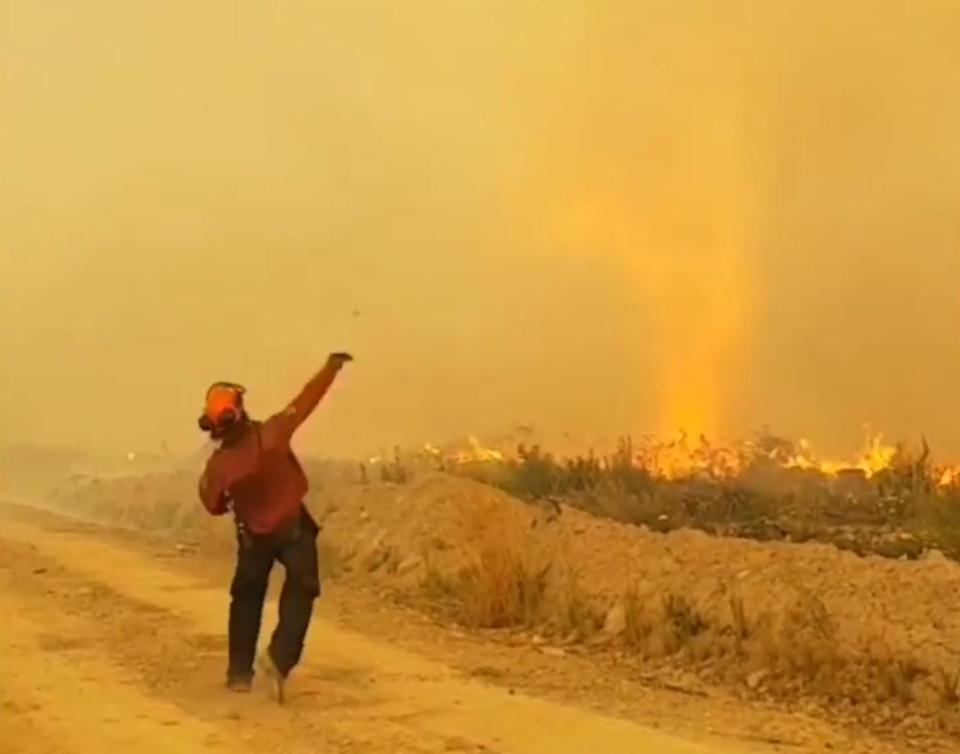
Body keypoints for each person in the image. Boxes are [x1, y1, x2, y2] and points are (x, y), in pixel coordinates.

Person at [197, 352, 353, 702]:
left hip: (253, 535)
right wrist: (331, 367)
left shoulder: (220, 466)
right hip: (293, 528)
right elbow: (306, 401)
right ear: (239, 411)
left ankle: (239, 673)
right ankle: (280, 659)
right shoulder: (272, 434)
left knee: (247, 597)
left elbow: (211, 503)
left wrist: (227, 497)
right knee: (303, 586)